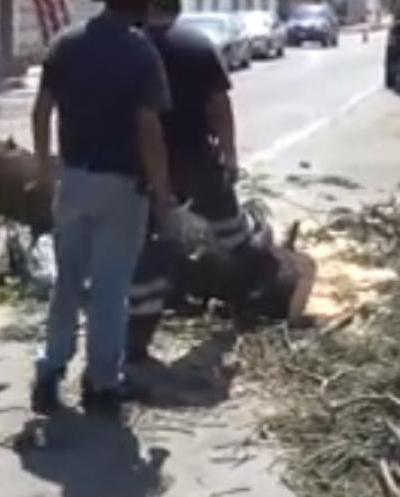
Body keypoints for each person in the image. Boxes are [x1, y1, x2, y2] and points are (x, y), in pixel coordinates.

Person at [29, 0, 174, 414]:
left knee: (67, 282)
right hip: (122, 187)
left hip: (73, 180)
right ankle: (102, 382)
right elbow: (150, 133)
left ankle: (50, 369)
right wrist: (162, 195)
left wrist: (43, 170)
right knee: (110, 290)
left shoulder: (65, 44)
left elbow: (41, 111)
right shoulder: (140, 53)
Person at [126, 0, 278, 363]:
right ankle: (257, 290)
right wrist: (229, 156)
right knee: (232, 231)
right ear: (177, 9)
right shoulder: (196, 45)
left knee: (150, 248)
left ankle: (137, 345)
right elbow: (219, 107)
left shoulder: (132, 46)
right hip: (195, 158)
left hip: (143, 163)